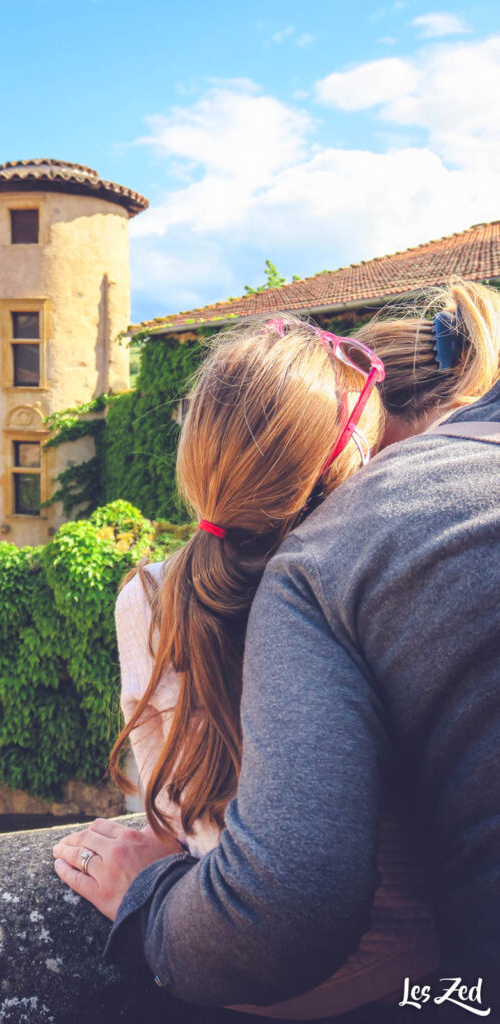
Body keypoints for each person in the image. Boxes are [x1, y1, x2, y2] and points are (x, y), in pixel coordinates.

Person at [52, 278, 500, 1019]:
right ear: (355, 450)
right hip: (416, 965)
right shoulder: (344, 568)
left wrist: (150, 897)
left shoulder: (158, 594)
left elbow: (177, 818)